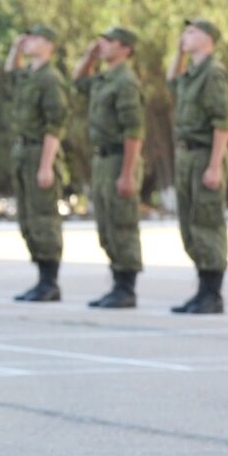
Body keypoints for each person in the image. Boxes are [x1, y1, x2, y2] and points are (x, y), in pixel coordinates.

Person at [72, 26, 145, 308]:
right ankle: (117, 283)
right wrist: (89, 57)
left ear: (126, 49)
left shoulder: (125, 81)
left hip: (119, 158)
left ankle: (126, 288)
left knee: (122, 223)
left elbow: (133, 131)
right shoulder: (103, 78)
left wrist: (127, 173)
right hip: (103, 159)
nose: (102, 44)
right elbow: (78, 82)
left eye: (110, 41)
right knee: (107, 224)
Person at [168, 18, 228, 314]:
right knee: (191, 224)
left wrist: (215, 165)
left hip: (206, 154)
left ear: (208, 39)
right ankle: (202, 289)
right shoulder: (191, 73)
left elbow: (223, 122)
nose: (185, 35)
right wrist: (180, 53)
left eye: (192, 32)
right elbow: (172, 82)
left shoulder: (213, 73)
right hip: (187, 157)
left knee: (207, 223)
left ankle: (212, 294)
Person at [5, 24, 68, 301]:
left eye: (36, 39)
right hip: (24, 153)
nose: (29, 41)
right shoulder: (29, 75)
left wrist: (46, 165)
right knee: (29, 219)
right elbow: (10, 73)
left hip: (40, 152)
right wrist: (16, 48)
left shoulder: (49, 78)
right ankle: (41, 279)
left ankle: (50, 282)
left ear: (50, 45)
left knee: (43, 219)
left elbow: (55, 125)